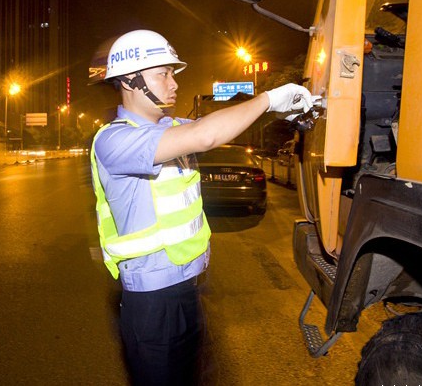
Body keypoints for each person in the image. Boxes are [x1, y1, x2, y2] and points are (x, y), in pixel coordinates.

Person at [89, 29, 314, 385]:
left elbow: (217, 129)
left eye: (173, 74)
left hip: (190, 291)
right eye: (162, 74)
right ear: (130, 82)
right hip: (152, 302)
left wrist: (288, 113)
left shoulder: (173, 127)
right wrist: (269, 99)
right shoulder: (114, 139)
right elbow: (206, 135)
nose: (174, 83)